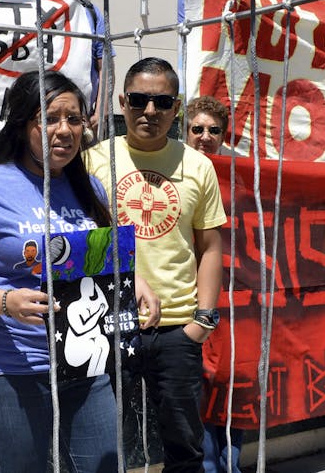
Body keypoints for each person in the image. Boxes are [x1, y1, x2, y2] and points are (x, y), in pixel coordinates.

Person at [0, 70, 159, 472]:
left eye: (74, 119)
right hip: (10, 369)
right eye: (50, 118)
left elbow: (103, 266)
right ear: (22, 124)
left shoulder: (91, 188)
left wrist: (136, 284)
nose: (65, 130)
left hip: (87, 365)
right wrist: (6, 302)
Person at [86, 57, 226, 472]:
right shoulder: (93, 162)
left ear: (177, 107)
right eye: (140, 100)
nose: (150, 111)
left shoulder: (198, 166)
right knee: (101, 445)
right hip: (106, 324)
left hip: (178, 330)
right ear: (122, 101)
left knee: (185, 449)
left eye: (162, 102)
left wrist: (202, 322)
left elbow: (211, 246)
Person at [185, 95, 241, 473]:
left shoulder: (243, 173)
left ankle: (231, 464)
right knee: (198, 389)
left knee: (234, 385)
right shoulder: (173, 169)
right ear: (184, 129)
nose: (205, 136)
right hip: (187, 297)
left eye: (213, 130)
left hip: (238, 297)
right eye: (197, 129)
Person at [31, 0, 112, 132]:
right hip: (30, 121)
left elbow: (106, 66)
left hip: (78, 125)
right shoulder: (16, 4)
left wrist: (100, 111)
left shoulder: (89, 12)